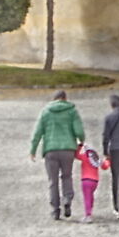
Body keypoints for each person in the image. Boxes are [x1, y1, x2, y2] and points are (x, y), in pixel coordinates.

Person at [30, 89, 85, 220]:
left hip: (50, 150)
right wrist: (81, 141)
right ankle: (67, 199)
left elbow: (37, 132)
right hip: (68, 150)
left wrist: (33, 150)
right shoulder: (72, 111)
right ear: (65, 98)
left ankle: (55, 210)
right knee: (67, 176)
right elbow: (79, 131)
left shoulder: (46, 112)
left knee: (52, 181)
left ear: (54, 99)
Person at [76, 142, 103, 224]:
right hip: (95, 181)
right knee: (91, 197)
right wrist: (109, 160)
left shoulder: (84, 157)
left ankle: (88, 215)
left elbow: (76, 155)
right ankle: (90, 211)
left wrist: (79, 146)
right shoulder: (96, 159)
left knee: (87, 198)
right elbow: (105, 166)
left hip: (86, 180)